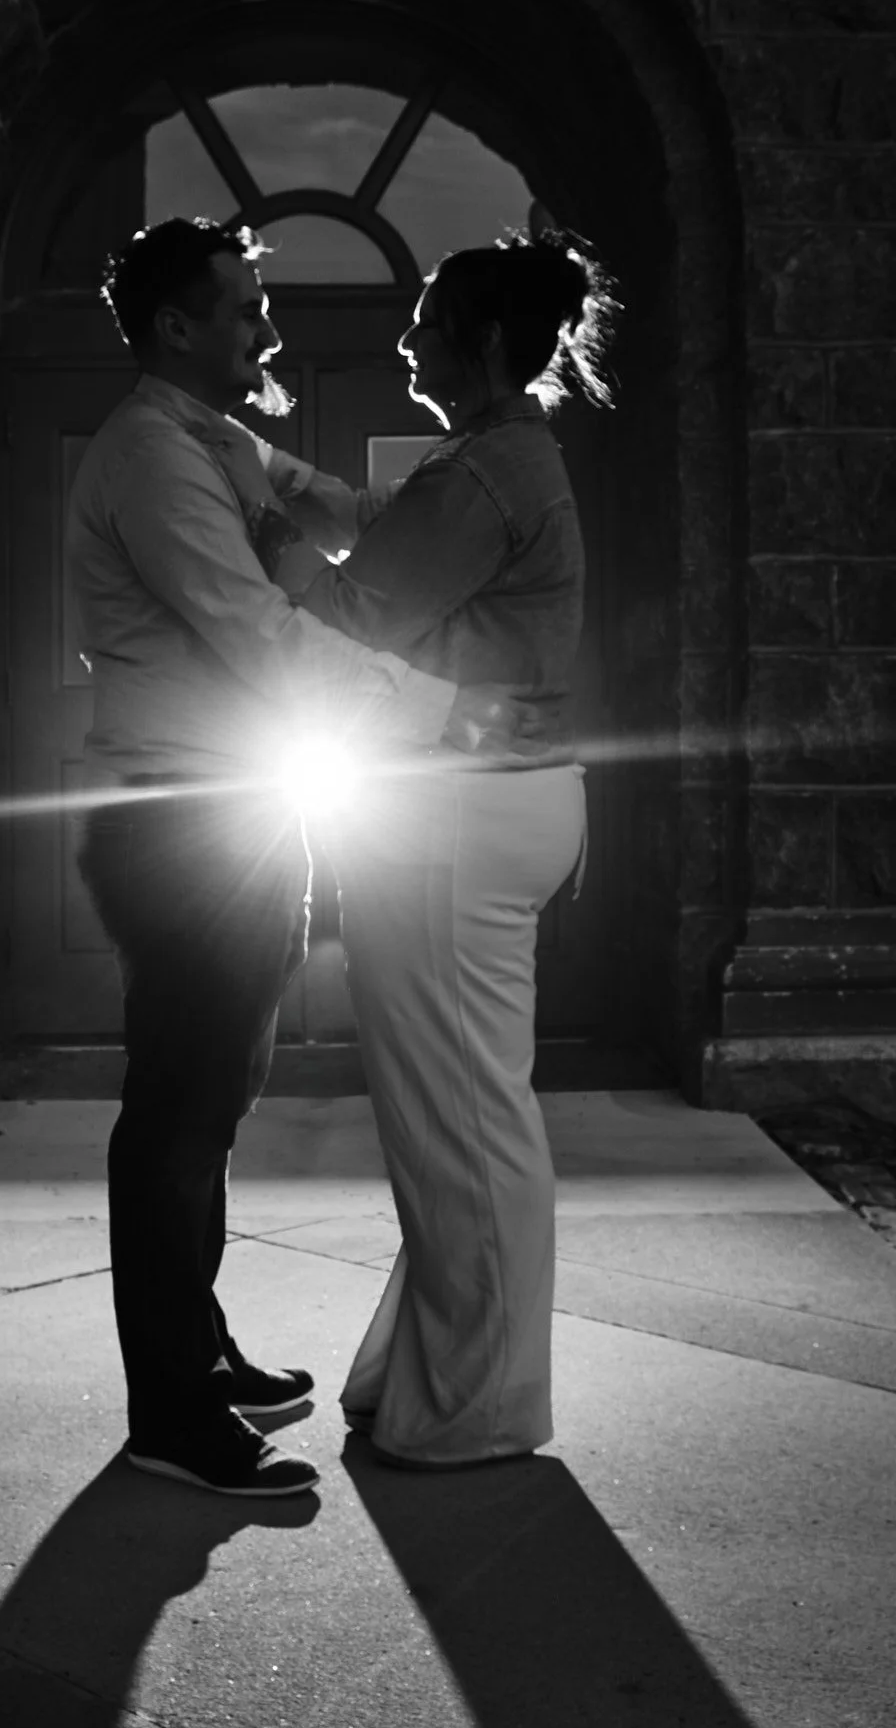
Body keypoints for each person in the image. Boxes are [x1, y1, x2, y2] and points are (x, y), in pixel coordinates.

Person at [66, 217, 515, 1500]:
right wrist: (434, 704)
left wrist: (457, 514)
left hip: (236, 805)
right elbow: (256, 628)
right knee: (176, 1110)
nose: (268, 327)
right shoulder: (152, 456)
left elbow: (341, 509)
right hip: (176, 814)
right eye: (246, 305)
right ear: (176, 328)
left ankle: (196, 1348)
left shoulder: (214, 436)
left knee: (217, 1096)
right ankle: (169, 1413)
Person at [218, 226, 621, 1469]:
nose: (405, 335)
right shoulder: (502, 463)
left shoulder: (486, 474)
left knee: (462, 1115)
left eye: (429, 317)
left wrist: (251, 511)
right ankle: (435, 1372)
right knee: (461, 1106)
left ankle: (482, 1403)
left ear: (488, 341)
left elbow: (346, 614)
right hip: (496, 803)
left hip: (461, 813)